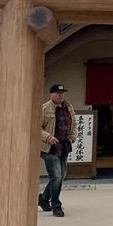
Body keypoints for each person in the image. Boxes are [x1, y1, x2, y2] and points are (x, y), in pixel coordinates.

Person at [39, 83, 74, 217]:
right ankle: (56, 205)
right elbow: (37, 127)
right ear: (51, 94)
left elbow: (74, 124)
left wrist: (72, 136)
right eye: (58, 93)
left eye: (62, 93)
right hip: (50, 148)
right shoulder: (45, 108)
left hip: (64, 146)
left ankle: (43, 198)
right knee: (57, 176)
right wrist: (49, 137)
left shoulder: (68, 107)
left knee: (61, 176)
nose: (61, 96)